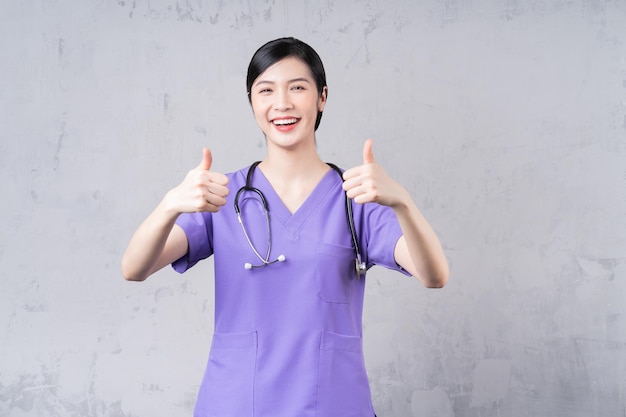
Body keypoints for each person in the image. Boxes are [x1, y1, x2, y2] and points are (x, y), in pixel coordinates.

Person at [121, 37, 449, 417]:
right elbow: (134, 268)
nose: (282, 103)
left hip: (333, 405)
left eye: (297, 87)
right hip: (236, 404)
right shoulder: (222, 197)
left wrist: (402, 202)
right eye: (266, 90)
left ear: (322, 97)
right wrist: (169, 205)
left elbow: (434, 275)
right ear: (252, 102)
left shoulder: (355, 200)